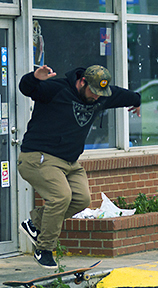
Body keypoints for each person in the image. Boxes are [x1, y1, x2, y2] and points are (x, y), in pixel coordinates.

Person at [17, 64, 141, 268]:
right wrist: (33, 77)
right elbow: (27, 89)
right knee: (61, 197)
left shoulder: (100, 94)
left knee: (81, 199)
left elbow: (122, 95)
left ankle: (35, 224)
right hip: (38, 157)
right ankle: (44, 248)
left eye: (101, 94)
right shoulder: (56, 89)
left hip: (69, 163)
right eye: (93, 92)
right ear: (82, 82)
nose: (96, 97)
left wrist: (137, 100)